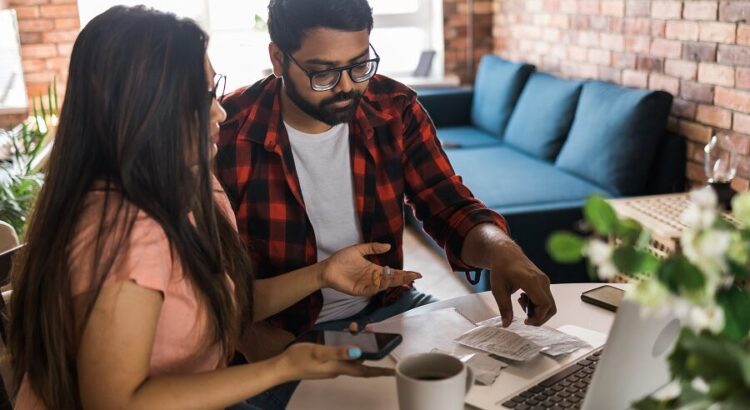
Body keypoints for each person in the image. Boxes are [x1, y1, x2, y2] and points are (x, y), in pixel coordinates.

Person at [8, 6, 419, 409]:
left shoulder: (197, 187)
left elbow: (226, 304)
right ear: (146, 109)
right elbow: (116, 401)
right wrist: (279, 368)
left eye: (214, 90)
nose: (220, 111)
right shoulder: (126, 230)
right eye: (203, 97)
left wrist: (322, 274)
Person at [217, 0, 556, 355]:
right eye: (324, 73)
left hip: (389, 307)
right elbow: (205, 279)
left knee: (497, 369)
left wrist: (501, 250)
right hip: (279, 330)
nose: (347, 87)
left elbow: (447, 206)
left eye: (360, 65)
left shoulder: (394, 108)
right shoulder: (226, 133)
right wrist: (249, 337)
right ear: (278, 59)